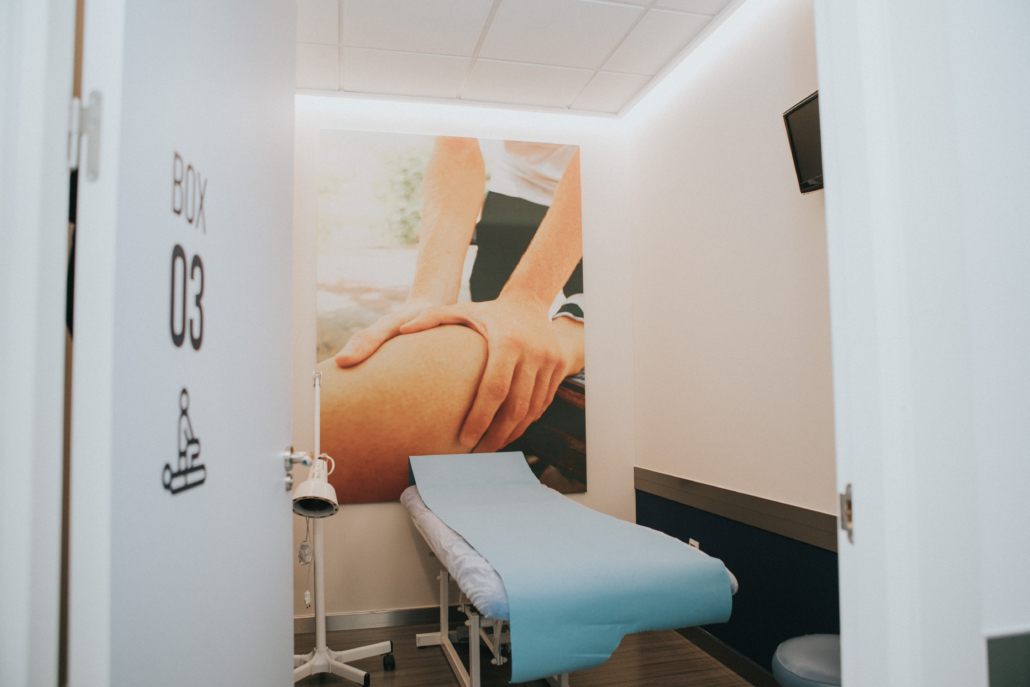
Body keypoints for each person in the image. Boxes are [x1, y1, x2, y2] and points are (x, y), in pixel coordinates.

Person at [322, 137, 585, 503]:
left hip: (610, 189)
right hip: (517, 189)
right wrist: (429, 299)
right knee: (492, 349)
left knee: (548, 339)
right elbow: (456, 145)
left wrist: (528, 300)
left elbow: (597, 152)